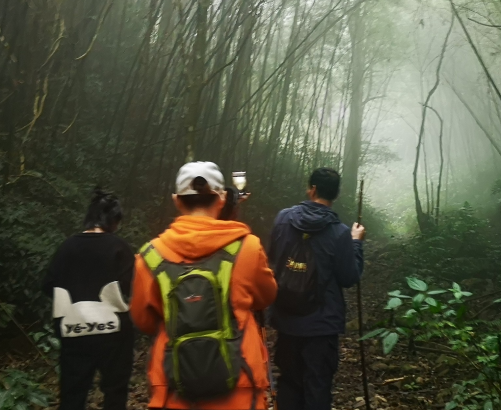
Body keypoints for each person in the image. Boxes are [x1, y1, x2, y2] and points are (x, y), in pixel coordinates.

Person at [130, 161, 277, 410]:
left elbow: (144, 321)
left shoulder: (149, 256)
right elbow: (266, 296)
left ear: (176, 200)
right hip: (240, 387)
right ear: (221, 199)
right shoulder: (248, 247)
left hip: (174, 388)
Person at [268, 167, 366, 410]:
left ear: (312, 189)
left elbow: (272, 260)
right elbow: (348, 277)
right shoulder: (340, 232)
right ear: (335, 195)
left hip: (287, 319)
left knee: (289, 382)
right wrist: (356, 244)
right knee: (318, 386)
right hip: (321, 326)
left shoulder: (283, 219)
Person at [42, 188, 135, 410]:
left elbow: (47, 286)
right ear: (114, 220)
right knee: (115, 390)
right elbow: (133, 288)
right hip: (114, 333)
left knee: (72, 393)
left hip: (73, 331)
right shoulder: (119, 247)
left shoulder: (67, 247)